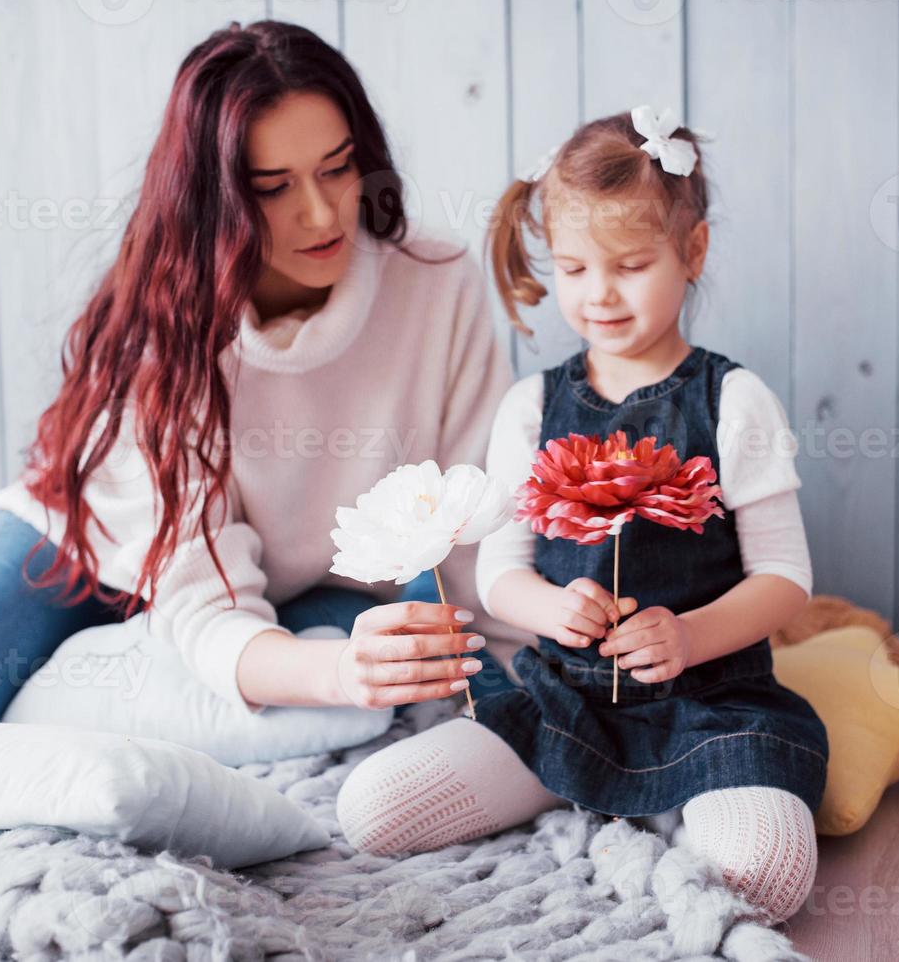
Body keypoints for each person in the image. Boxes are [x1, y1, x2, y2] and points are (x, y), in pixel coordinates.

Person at [0, 21, 520, 756]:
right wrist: (340, 674)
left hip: (293, 586)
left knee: (370, 666)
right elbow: (203, 600)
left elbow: (471, 521)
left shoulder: (435, 283)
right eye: (273, 187)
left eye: (338, 168)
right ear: (219, 200)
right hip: (86, 549)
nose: (321, 213)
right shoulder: (167, 328)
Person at [336, 107, 829, 926]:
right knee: (375, 811)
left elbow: (786, 578)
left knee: (763, 875)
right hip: (564, 698)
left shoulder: (733, 401)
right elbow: (501, 574)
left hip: (708, 702)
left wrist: (691, 636)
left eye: (631, 265)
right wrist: (549, 610)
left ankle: (675, 789)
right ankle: (576, 779)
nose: (598, 294)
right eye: (572, 268)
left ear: (692, 252)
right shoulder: (534, 407)